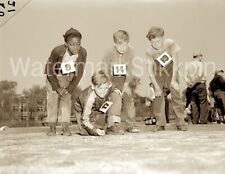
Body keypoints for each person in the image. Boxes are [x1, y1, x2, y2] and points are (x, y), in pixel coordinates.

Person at [44, 28, 87, 136]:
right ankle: (52, 126)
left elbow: (79, 73)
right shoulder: (57, 51)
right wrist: (57, 88)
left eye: (78, 44)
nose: (76, 47)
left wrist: (69, 89)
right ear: (66, 44)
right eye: (72, 44)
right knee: (52, 100)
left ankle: (65, 126)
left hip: (66, 76)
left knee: (66, 100)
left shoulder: (82, 53)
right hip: (53, 76)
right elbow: (49, 70)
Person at [145, 26, 187, 131]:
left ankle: (181, 122)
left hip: (171, 68)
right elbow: (150, 70)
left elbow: (176, 62)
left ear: (163, 38)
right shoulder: (149, 50)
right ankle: (160, 123)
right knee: (158, 96)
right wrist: (156, 86)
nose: (156, 45)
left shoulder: (170, 43)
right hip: (158, 70)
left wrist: (173, 81)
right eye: (153, 42)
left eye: (158, 41)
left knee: (175, 93)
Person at [100, 30, 139, 132]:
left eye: (126, 44)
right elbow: (104, 69)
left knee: (129, 99)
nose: (123, 48)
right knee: (115, 99)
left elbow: (130, 69)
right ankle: (112, 125)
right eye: (120, 45)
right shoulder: (108, 52)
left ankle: (130, 125)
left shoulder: (130, 51)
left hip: (124, 79)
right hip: (111, 80)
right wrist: (110, 85)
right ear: (114, 43)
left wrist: (126, 84)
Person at [74, 70, 124, 136]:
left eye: (105, 88)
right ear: (93, 86)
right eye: (100, 88)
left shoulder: (108, 86)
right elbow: (85, 120)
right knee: (89, 131)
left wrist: (116, 90)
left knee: (116, 95)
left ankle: (112, 125)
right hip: (83, 113)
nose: (103, 91)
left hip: (98, 106)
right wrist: (95, 130)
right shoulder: (89, 98)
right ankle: (94, 126)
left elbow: (112, 87)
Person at [185, 51, 209, 124]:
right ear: (199, 56)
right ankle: (203, 120)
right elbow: (199, 75)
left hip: (191, 86)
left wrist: (189, 84)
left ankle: (195, 121)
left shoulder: (188, 65)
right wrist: (194, 83)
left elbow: (185, 77)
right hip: (199, 84)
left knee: (194, 102)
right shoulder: (200, 64)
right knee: (203, 102)